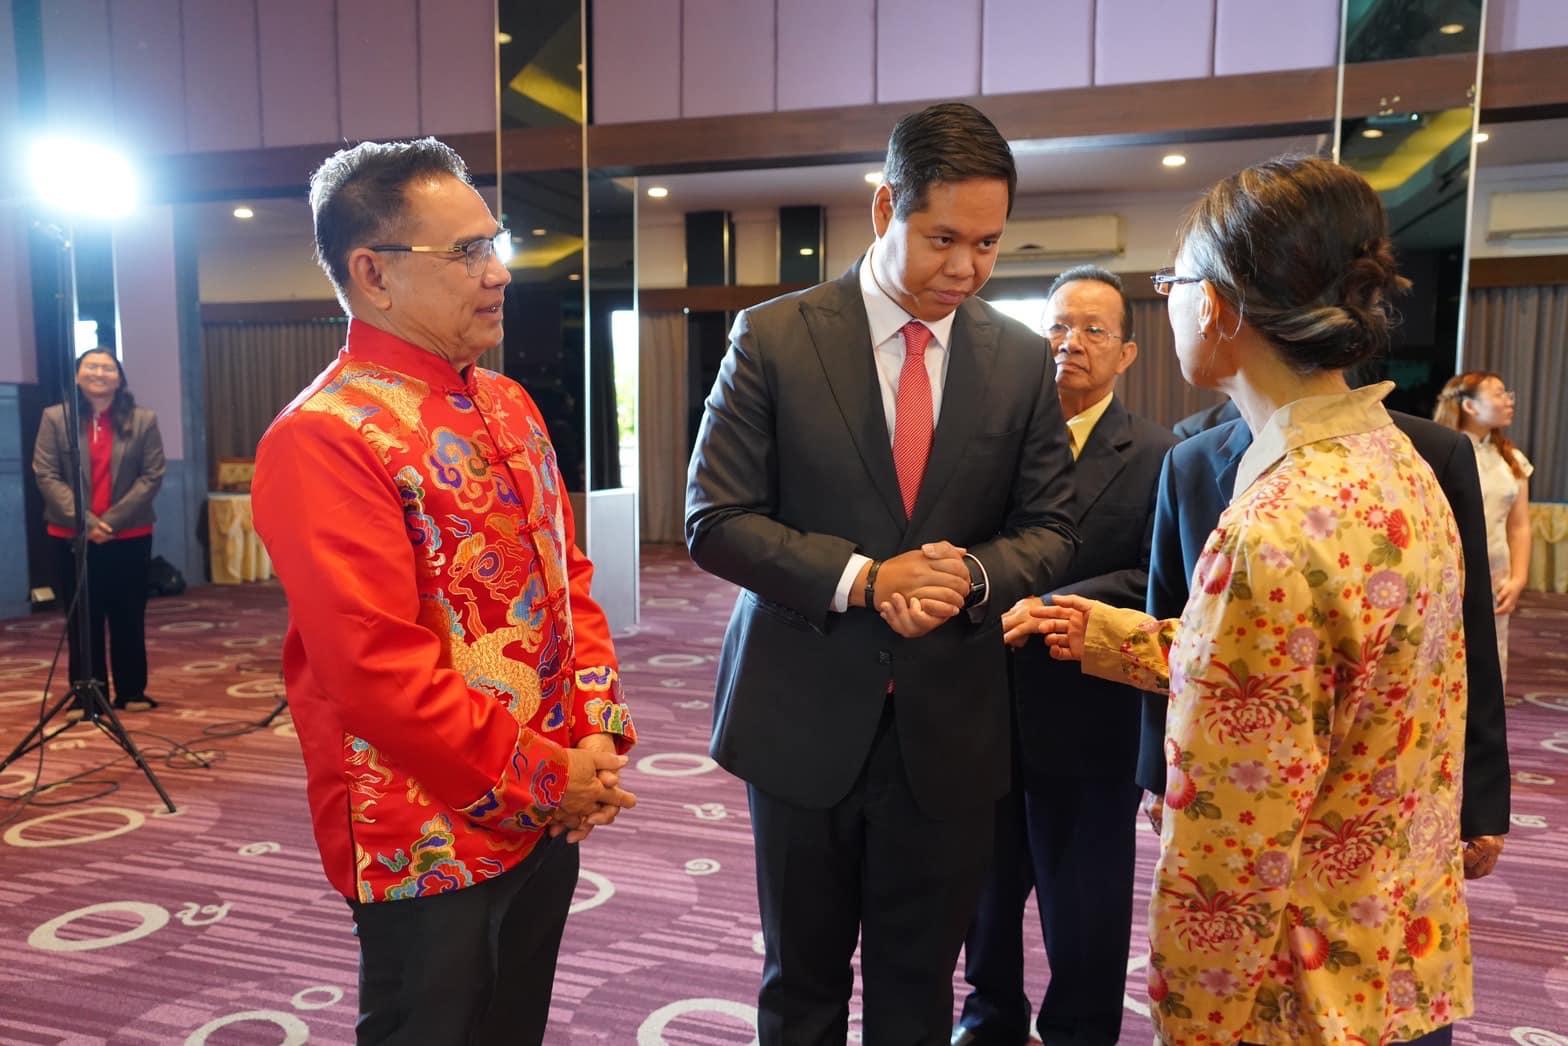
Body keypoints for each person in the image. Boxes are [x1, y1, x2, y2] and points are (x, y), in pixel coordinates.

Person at [1013, 155, 1472, 1045]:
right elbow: (1311, 675)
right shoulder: (1393, 466)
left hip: (1298, 988)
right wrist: (1116, 637)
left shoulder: (1270, 527)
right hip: (1395, 947)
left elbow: (1229, 853)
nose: (1169, 300)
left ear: (1216, 306)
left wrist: (1193, 1022)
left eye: (1173, 283)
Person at [685, 102, 1078, 1044]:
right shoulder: (775, 337)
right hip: (800, 715)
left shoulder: (1021, 359)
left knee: (917, 989)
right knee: (801, 986)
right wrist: (866, 579)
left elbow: (1052, 527)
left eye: (987, 244)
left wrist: (968, 575)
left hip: (948, 727)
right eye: (943, 238)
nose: (966, 268)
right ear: (884, 208)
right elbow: (715, 520)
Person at [251, 137, 637, 1044]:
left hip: (547, 803)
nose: (498, 272)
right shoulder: (326, 435)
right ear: (373, 273)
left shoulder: (508, 404)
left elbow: (566, 578)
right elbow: (375, 670)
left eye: (493, 244)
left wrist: (594, 732)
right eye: (466, 252)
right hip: (424, 829)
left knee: (514, 1024)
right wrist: (552, 778)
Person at [1134, 409, 1512, 886]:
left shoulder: (1428, 452)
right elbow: (1172, 619)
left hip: (1376, 778)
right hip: (1231, 771)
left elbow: (1466, 628)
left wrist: (1481, 800)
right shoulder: (1190, 460)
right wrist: (1158, 773)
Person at [955, 266, 1175, 1046]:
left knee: (1085, 904)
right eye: (1055, 325)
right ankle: (989, 1020)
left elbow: (1161, 576)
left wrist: (1056, 602)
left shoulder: (1160, 453)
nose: (1069, 343)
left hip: (1090, 714)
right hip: (984, 704)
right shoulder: (992, 441)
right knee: (984, 891)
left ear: (1126, 354)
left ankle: (1080, 1031)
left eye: (1092, 330)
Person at [33, 346, 165, 715]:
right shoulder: (55, 418)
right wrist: (88, 523)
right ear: (77, 375)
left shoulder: (143, 420)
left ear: (119, 378)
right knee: (82, 618)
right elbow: (46, 474)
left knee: (128, 615)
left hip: (130, 535)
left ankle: (132, 691)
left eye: (107, 368)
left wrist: (113, 521)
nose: (99, 373)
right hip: (71, 537)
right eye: (91, 366)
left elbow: (152, 475)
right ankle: (88, 696)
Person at [1434, 371, 1533, 681]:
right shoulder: (1437, 453)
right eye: (1499, 394)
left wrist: (1518, 578)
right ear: (1469, 406)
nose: (1509, 401)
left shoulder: (1512, 459)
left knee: (1489, 656)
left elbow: (1519, 526)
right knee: (1441, 652)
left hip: (1495, 572)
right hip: (1445, 571)